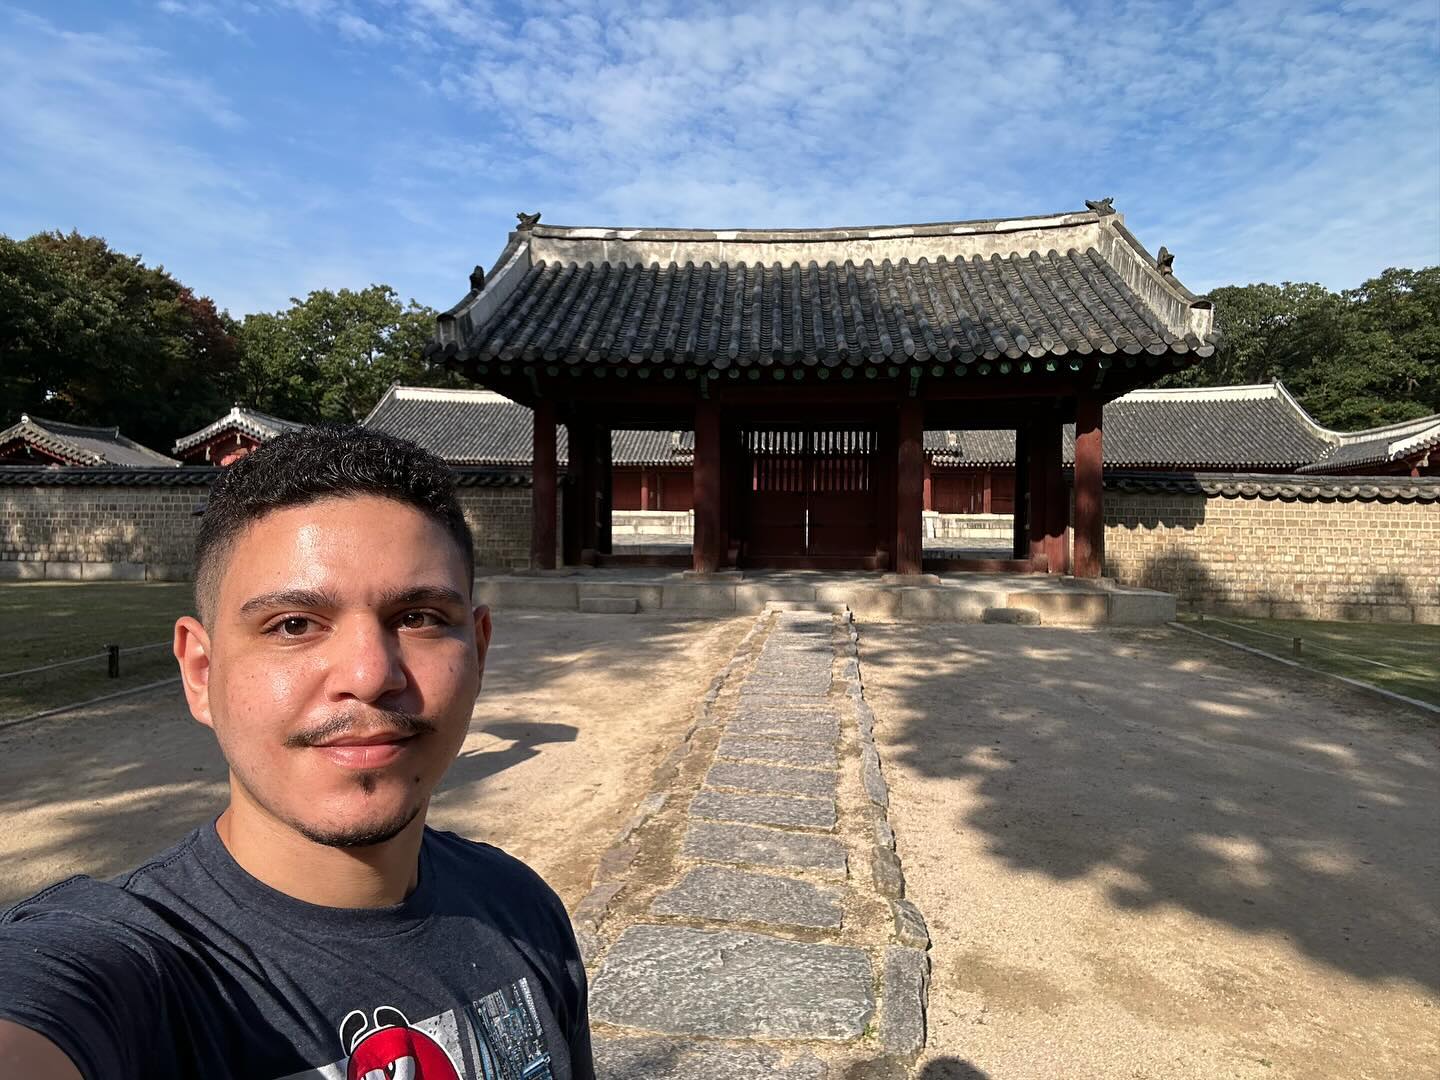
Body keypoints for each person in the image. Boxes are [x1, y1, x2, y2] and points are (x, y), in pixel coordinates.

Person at [0, 427, 593, 1079]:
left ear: (478, 651)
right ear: (201, 672)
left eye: (419, 616)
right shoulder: (125, 968)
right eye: (293, 625)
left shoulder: (522, 909)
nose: (369, 674)